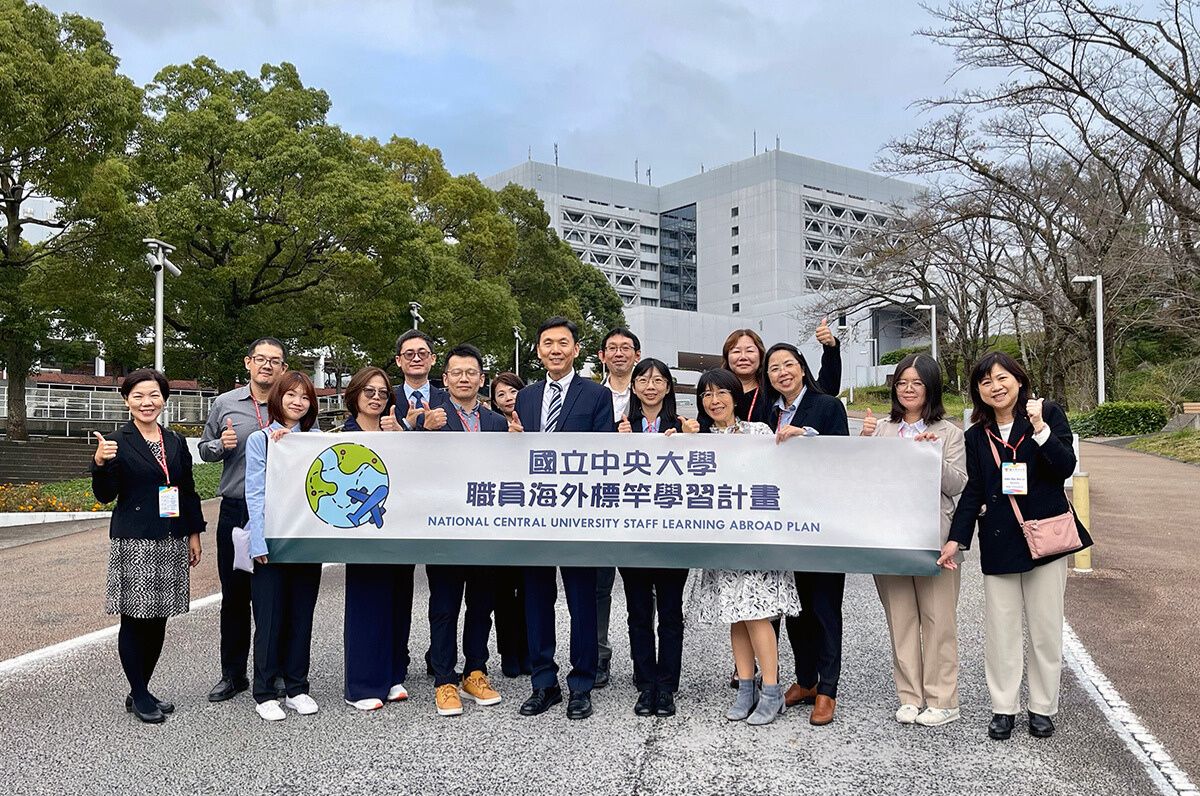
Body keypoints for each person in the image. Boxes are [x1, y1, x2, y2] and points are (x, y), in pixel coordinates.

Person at [938, 352, 1092, 741]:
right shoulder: (976, 436)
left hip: (1045, 539)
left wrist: (1040, 428)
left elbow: (1063, 467)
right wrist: (956, 539)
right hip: (1000, 540)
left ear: (1019, 380)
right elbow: (972, 491)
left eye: (1002, 377)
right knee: (1001, 631)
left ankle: (1042, 708)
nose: (995, 386)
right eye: (985, 381)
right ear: (978, 391)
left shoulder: (1048, 415)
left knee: (1045, 629)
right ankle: (1003, 708)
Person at [511, 316, 616, 720]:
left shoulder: (596, 395)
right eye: (548, 343)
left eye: (563, 342)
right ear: (539, 350)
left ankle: (581, 684)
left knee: (582, 603)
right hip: (534, 514)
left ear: (576, 349)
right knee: (536, 601)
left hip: (578, 514)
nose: (555, 349)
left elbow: (603, 455)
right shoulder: (527, 397)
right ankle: (543, 683)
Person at [92, 369, 205, 723]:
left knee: (158, 619)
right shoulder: (116, 441)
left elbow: (186, 490)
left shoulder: (174, 441)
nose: (147, 402)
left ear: (164, 399)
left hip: (171, 537)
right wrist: (99, 463)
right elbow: (105, 495)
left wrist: (194, 533)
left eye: (153, 395)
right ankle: (139, 694)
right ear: (127, 400)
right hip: (136, 539)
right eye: (139, 396)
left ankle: (141, 687)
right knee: (135, 619)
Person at [690, 368, 801, 726]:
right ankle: (745, 688)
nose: (714, 400)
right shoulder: (699, 440)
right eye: (706, 395)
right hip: (722, 542)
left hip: (757, 541)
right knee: (735, 616)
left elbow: (782, 473)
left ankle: (772, 690)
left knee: (757, 612)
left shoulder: (760, 432)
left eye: (721, 392)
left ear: (735, 396)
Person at [861, 354, 967, 726]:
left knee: (939, 621)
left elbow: (957, 486)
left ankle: (943, 700)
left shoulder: (950, 433)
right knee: (901, 620)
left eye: (917, 383)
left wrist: (931, 454)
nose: (908, 389)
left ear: (931, 387)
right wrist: (862, 445)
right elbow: (862, 481)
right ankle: (909, 695)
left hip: (934, 542)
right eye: (902, 382)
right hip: (889, 538)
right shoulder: (881, 430)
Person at [762, 342, 850, 726]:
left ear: (801, 368)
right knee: (794, 608)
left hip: (824, 523)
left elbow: (843, 458)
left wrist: (807, 436)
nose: (782, 372)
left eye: (788, 364)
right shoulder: (767, 413)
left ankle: (828, 689)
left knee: (825, 608)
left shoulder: (828, 406)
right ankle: (806, 680)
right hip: (781, 524)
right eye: (774, 368)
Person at [199, 337, 288, 702]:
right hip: (238, 512)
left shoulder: (292, 402)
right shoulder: (225, 403)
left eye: (275, 361)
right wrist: (222, 445)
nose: (267, 366)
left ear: (283, 368)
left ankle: (275, 672)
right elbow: (204, 450)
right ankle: (232, 674)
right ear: (248, 362)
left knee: (274, 597)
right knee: (235, 597)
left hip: (282, 513)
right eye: (261, 359)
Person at [423, 344, 509, 716]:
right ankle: (444, 679)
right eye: (456, 372)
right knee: (444, 607)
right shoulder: (433, 419)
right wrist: (419, 431)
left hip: (485, 530)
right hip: (444, 528)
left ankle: (475, 670)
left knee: (480, 605)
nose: (463, 378)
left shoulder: (496, 423)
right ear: (445, 379)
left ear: (481, 379)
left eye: (470, 372)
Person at [616, 358, 696, 717]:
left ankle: (667, 685)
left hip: (672, 536)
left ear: (668, 387)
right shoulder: (617, 427)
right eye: (644, 380)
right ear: (633, 387)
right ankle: (644, 681)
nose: (651, 386)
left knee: (670, 612)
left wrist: (691, 442)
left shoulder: (682, 427)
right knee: (637, 612)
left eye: (658, 380)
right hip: (630, 535)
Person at [245, 371, 325, 721]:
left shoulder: (316, 439)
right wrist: (259, 540)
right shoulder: (261, 440)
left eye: (304, 397)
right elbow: (256, 492)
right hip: (273, 541)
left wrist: (296, 444)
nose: (297, 402)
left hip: (306, 542)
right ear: (278, 398)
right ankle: (264, 692)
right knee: (270, 617)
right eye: (291, 394)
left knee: (300, 616)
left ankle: (297, 687)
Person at [338, 366, 415, 711]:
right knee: (368, 603)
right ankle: (362, 685)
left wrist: (403, 434)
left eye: (383, 393)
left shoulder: (395, 432)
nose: (376, 398)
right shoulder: (340, 436)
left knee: (398, 601)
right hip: (363, 535)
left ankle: (392, 675)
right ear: (354, 394)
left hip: (400, 532)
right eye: (369, 391)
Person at [595, 327, 642, 689]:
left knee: (643, 589)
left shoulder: (650, 394)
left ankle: (645, 660)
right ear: (602, 357)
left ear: (637, 356)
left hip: (640, 508)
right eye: (612, 348)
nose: (619, 353)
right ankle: (598, 658)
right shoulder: (588, 396)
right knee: (597, 588)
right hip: (598, 506)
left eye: (626, 348)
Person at [706, 322, 841, 432]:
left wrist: (831, 348)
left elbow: (826, 391)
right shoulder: (715, 395)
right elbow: (704, 425)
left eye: (750, 351)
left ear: (760, 356)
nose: (743, 357)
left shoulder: (773, 393)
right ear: (726, 357)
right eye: (736, 351)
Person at [489, 371, 530, 678]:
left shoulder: (535, 423)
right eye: (501, 394)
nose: (508, 398)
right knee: (503, 595)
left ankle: (529, 650)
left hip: (530, 523)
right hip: (499, 525)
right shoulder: (489, 427)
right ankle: (508, 654)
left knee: (530, 593)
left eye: (513, 392)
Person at [393, 329, 448, 431]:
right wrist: (407, 425)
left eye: (422, 353)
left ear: (433, 358)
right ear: (398, 360)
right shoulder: (387, 400)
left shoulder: (448, 400)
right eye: (409, 354)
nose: (416, 359)